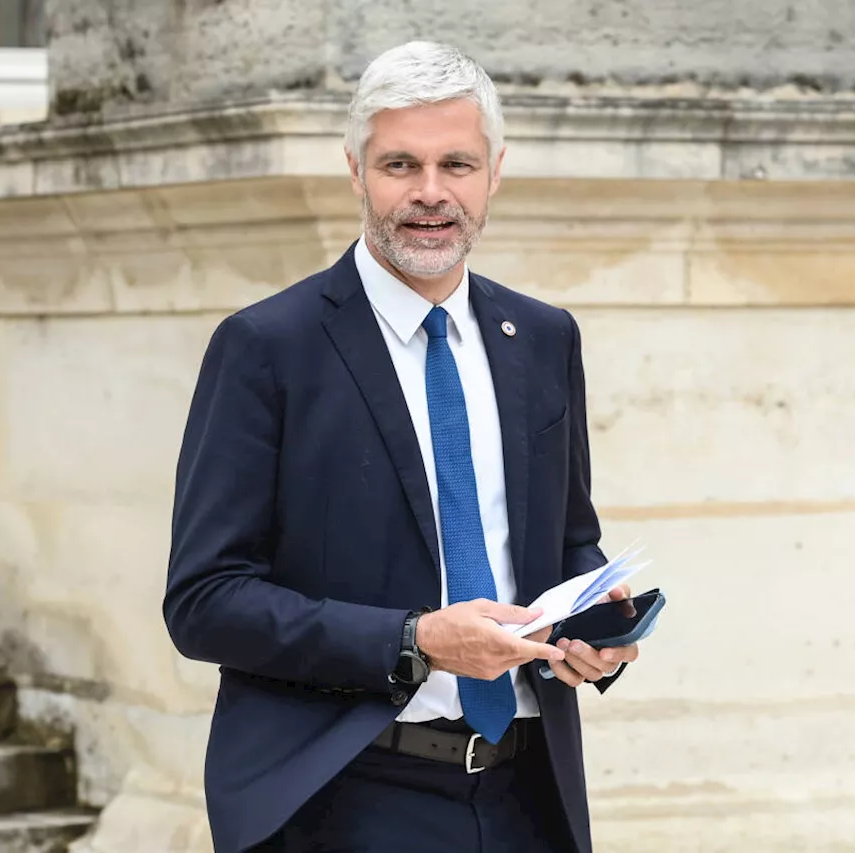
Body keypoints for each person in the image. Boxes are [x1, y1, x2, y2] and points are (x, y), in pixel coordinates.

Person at [164, 40, 641, 853]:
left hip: (530, 795)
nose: (429, 193)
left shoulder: (545, 338)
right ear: (356, 171)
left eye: (456, 163)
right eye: (399, 165)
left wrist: (601, 632)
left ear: (494, 171)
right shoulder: (266, 347)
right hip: (343, 796)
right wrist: (414, 640)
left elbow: (568, 543)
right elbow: (204, 600)